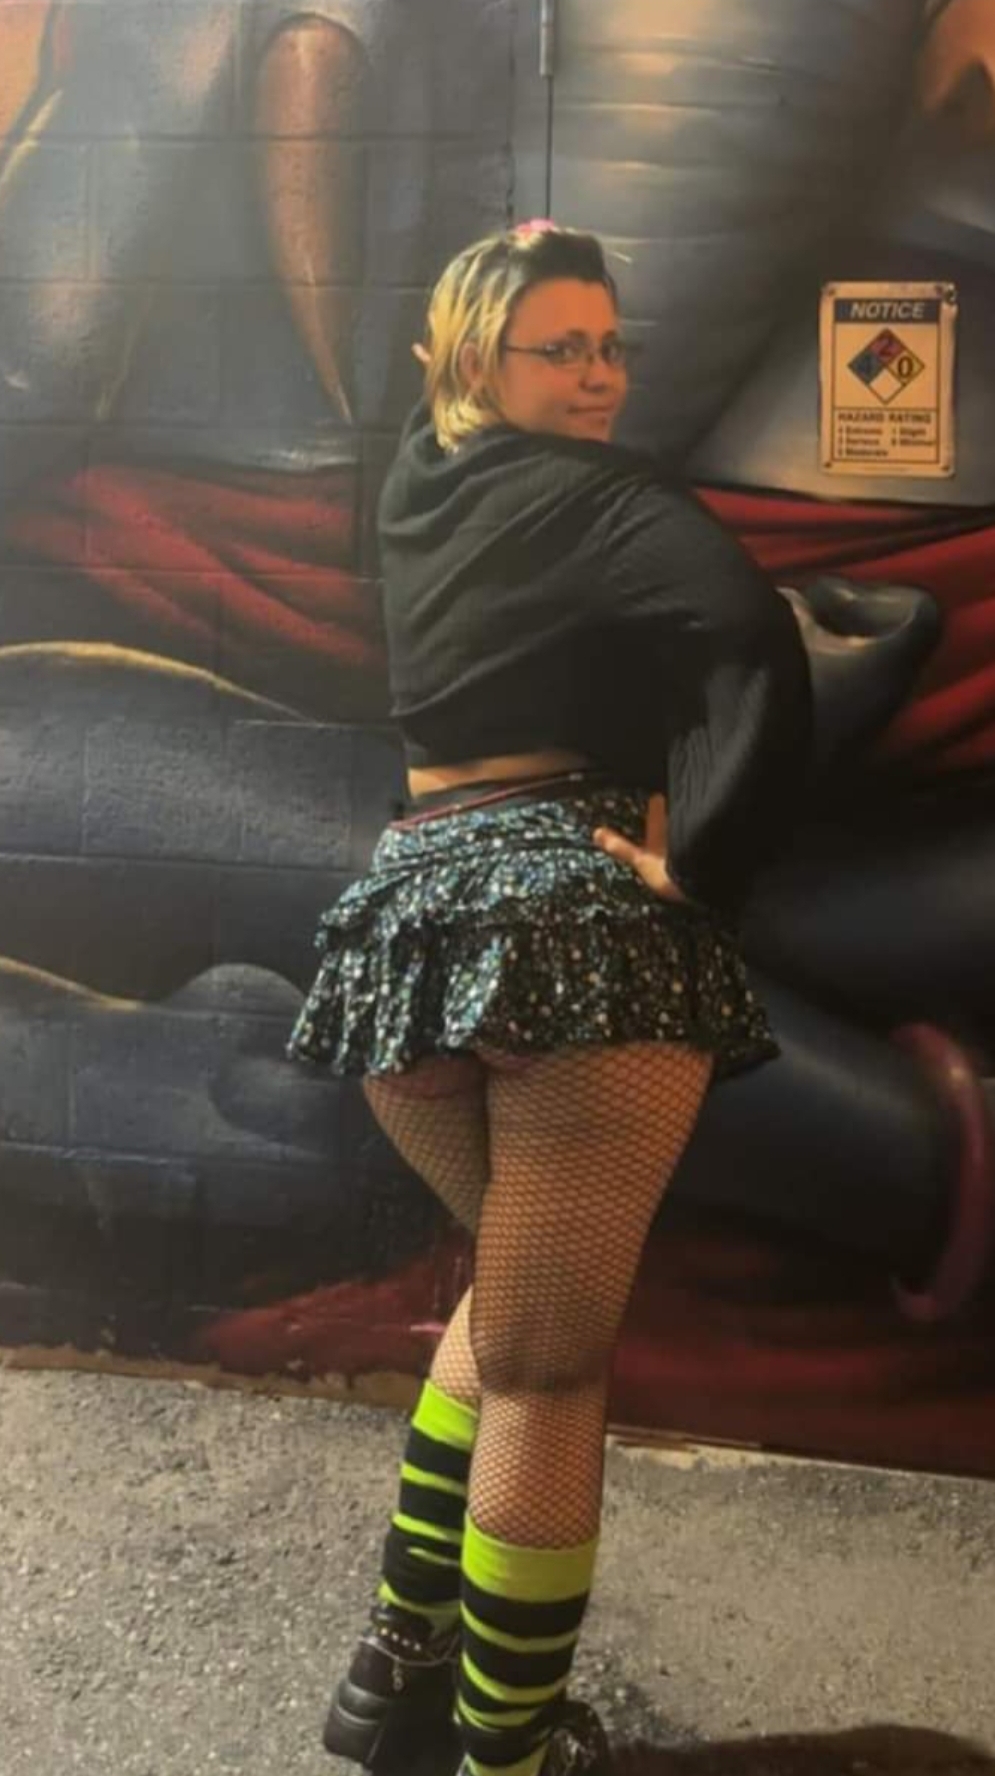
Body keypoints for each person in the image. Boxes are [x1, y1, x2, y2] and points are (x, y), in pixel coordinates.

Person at [287, 222, 811, 1776]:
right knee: (548, 1370)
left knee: (506, 1314)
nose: (599, 377)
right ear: (477, 357)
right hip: (571, 929)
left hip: (408, 931)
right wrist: (702, 857)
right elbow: (755, 642)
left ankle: (395, 1670)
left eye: (607, 345)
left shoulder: (415, 484)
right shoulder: (603, 497)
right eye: (561, 348)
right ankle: (506, 1755)